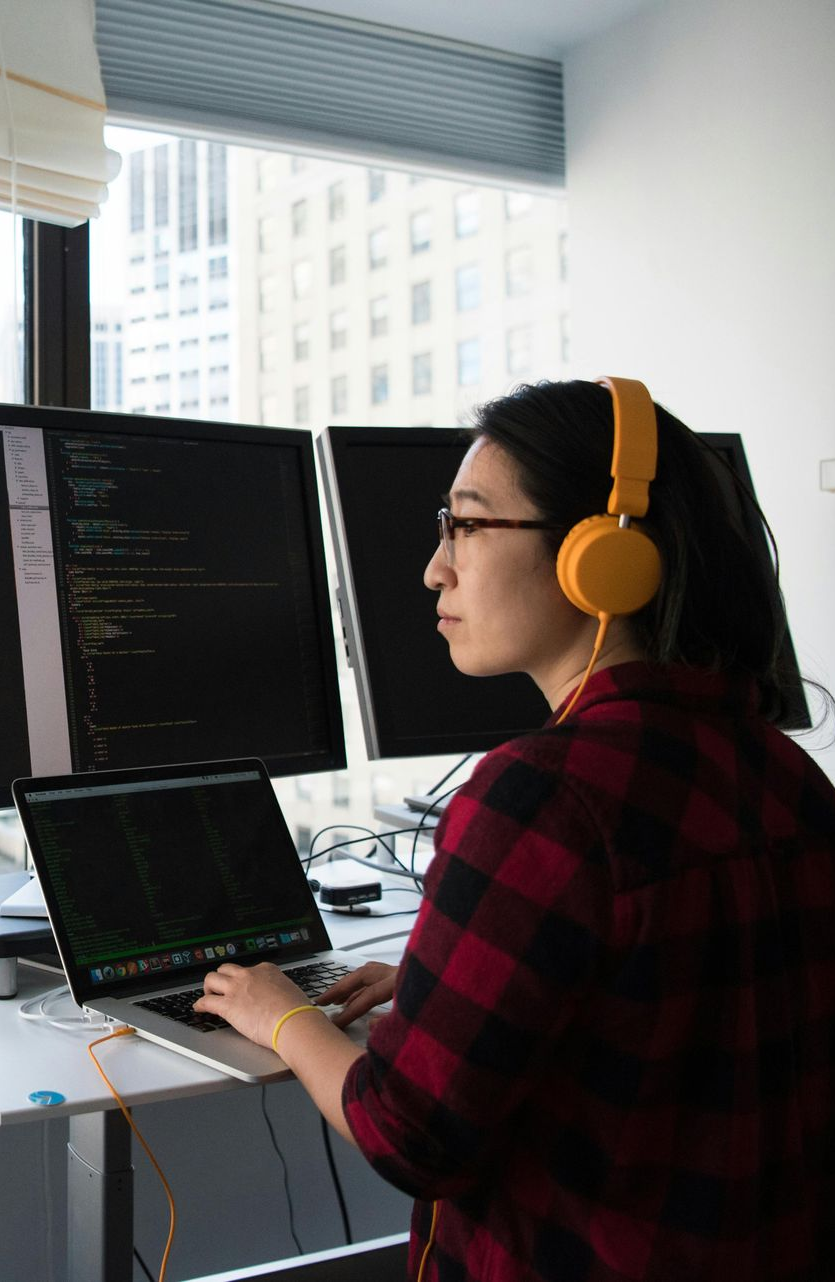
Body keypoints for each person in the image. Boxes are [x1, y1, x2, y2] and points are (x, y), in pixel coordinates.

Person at [194, 378, 835, 1282]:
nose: (434, 567)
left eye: (467, 525)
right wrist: (438, 980)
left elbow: (411, 1136)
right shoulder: (786, 773)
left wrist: (284, 1014)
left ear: (598, 561)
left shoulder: (542, 797)